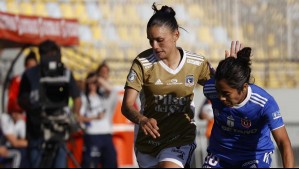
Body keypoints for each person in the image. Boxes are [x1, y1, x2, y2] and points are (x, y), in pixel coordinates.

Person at [121, 3, 216, 168]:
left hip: (180, 136)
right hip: (149, 141)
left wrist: (234, 68)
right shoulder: (142, 63)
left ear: (176, 35)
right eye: (151, 41)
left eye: (159, 40)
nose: (154, 46)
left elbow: (222, 88)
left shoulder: (196, 63)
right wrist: (142, 119)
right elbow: (127, 105)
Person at [202, 47, 294, 168]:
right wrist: (230, 66)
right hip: (220, 155)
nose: (221, 98)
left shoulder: (264, 103)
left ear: (244, 87)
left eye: (226, 93)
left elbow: (283, 142)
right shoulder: (210, 89)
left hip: (253, 157)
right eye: (218, 91)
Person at [18, 40, 82, 168]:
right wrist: (36, 109)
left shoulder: (66, 73)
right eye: (47, 55)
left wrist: (74, 117)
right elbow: (21, 99)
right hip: (37, 132)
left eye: (53, 55)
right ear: (41, 55)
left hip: (59, 131)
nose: (50, 59)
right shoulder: (30, 74)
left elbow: (77, 98)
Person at [79, 70, 117, 168]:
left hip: (106, 134)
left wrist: (97, 78)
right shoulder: (84, 98)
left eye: (95, 83)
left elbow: (111, 89)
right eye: (91, 83)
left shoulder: (103, 97)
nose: (93, 85)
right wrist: (95, 117)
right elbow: (79, 118)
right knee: (90, 164)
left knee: (111, 162)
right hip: (92, 135)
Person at [7, 51, 38, 119]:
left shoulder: (40, 80)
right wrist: (16, 112)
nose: (31, 70)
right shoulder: (18, 80)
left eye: (34, 67)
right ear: (25, 66)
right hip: (19, 114)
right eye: (30, 67)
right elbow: (12, 98)